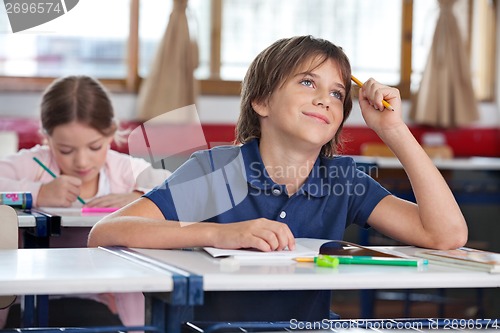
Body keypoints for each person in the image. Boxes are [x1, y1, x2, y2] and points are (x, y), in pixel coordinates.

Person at [88, 36, 468, 322]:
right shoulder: (224, 174)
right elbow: (107, 233)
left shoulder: (341, 179)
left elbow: (446, 235)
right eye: (307, 83)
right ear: (262, 101)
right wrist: (219, 233)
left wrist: (394, 130)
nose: (324, 99)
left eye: (337, 94)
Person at [0, 75, 171, 328]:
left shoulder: (124, 170)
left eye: (94, 147)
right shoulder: (34, 165)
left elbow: (175, 186)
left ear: (111, 132)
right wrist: (38, 192)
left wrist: (140, 197)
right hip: (32, 301)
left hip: (107, 307)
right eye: (66, 150)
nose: (81, 162)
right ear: (47, 138)